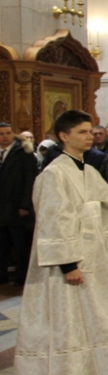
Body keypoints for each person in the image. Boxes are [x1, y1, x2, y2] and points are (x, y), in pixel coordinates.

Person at [13, 110, 108, 375]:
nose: (89, 136)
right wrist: (68, 265)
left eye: (89, 131)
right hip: (69, 264)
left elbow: (106, 206)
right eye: (81, 132)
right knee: (69, 324)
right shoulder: (54, 174)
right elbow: (53, 220)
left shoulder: (89, 171)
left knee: (96, 319)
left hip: (94, 256)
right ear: (64, 136)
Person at [0, 121, 38, 285]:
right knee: (1, 245)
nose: (5, 137)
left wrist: (25, 205)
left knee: (21, 244)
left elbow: (30, 180)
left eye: (8, 133)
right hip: (1, 208)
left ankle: (21, 276)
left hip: (17, 207)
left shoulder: (23, 152)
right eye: (1, 134)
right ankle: (1, 274)